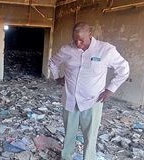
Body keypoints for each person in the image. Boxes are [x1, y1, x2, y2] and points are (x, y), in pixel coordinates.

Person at [49, 22, 129, 160]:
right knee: (69, 133)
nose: (78, 43)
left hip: (92, 101)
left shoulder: (106, 50)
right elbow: (53, 62)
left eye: (81, 40)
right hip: (70, 100)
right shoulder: (66, 49)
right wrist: (57, 78)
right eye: (75, 40)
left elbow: (124, 69)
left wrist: (110, 90)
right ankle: (66, 156)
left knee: (90, 135)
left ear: (90, 35)